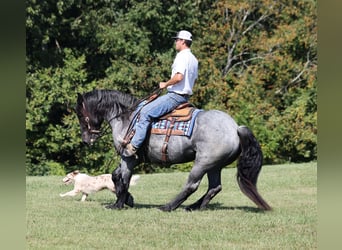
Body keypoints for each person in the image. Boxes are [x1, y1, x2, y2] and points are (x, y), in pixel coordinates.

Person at [123, 30, 199, 157]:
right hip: (185, 97)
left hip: (175, 96)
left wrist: (166, 84)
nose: (175, 42)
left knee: (145, 112)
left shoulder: (182, 56)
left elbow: (179, 77)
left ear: (183, 42)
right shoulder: (194, 59)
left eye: (177, 40)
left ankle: (134, 146)